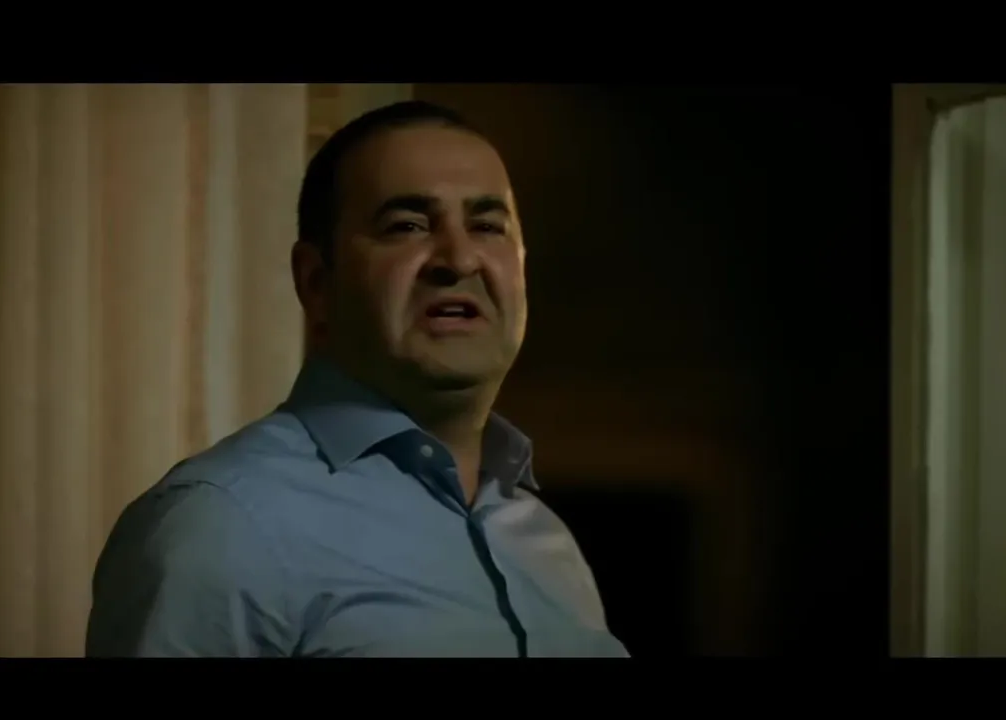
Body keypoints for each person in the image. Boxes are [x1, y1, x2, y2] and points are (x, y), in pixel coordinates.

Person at [85, 100, 629, 658]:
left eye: (487, 226)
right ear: (317, 283)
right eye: (407, 225)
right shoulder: (221, 526)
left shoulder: (547, 544)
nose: (460, 259)